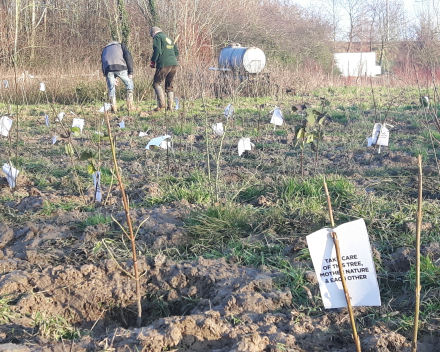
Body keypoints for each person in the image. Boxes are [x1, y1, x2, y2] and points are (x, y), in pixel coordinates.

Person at [150, 27, 179, 111]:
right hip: (174, 64)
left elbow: (157, 50)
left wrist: (153, 61)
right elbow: (176, 52)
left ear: (154, 33)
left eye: (152, 35)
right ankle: (170, 107)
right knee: (169, 86)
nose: (152, 37)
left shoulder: (158, 37)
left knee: (156, 83)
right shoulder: (169, 38)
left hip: (163, 64)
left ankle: (161, 104)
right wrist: (171, 58)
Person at [101, 41, 134, 112]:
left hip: (108, 69)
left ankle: (113, 108)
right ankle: (130, 106)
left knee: (111, 89)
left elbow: (103, 62)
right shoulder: (121, 46)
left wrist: (107, 76)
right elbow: (128, 57)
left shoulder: (105, 49)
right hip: (121, 67)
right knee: (129, 84)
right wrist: (130, 71)